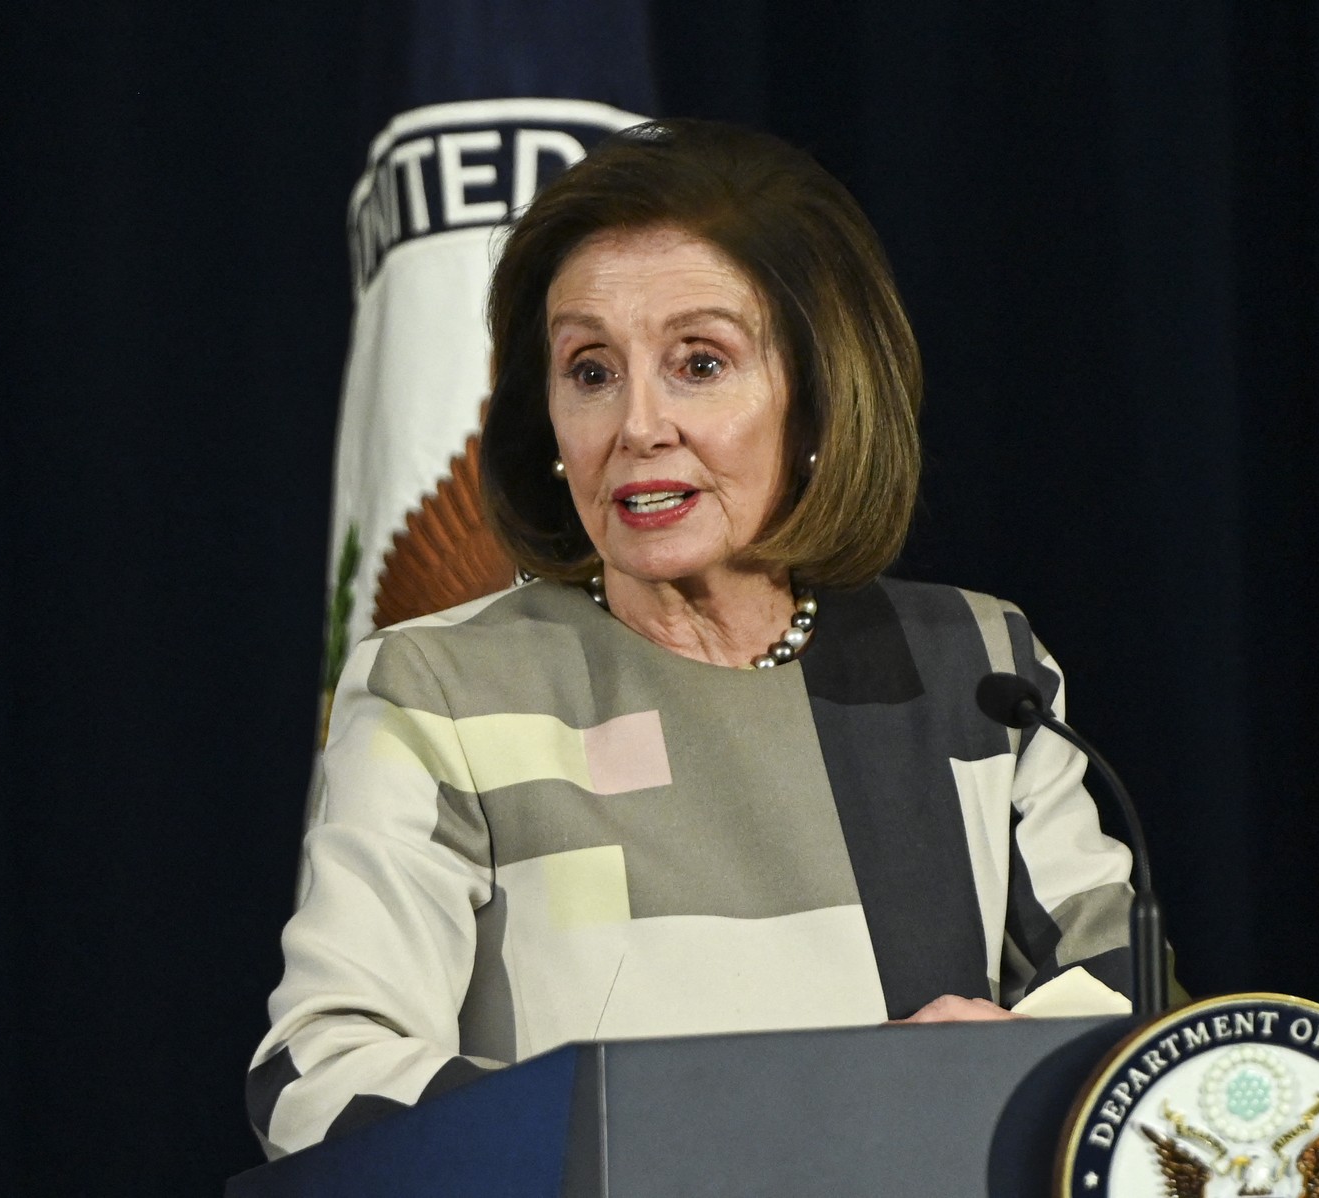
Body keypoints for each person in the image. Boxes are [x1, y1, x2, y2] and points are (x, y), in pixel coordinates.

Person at [247, 119, 1138, 1159]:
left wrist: (992, 1077)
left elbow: (1129, 1012)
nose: (637, 424)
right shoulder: (443, 687)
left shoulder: (972, 668)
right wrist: (700, 1135)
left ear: (817, 396)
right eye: (589, 370)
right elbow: (322, 1070)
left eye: (699, 362)